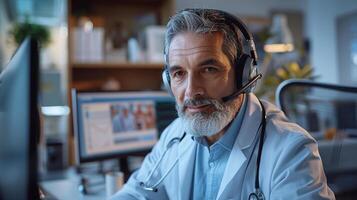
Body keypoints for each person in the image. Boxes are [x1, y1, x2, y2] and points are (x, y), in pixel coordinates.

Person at [110, 8, 335, 200]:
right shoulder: (175, 136)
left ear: (243, 76)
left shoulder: (290, 151)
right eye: (178, 73)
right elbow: (134, 193)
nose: (191, 91)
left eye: (209, 70)